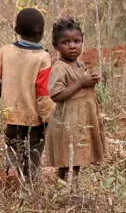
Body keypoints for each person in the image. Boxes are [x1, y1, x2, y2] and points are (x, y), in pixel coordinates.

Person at [0, 8, 54, 184]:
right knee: (33, 156)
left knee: (12, 153)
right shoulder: (43, 58)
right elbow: (44, 93)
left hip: (11, 116)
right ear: (43, 31)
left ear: (16, 30)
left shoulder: (5, 51)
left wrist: (2, 91)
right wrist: (49, 121)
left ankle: (11, 181)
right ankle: (31, 187)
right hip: (34, 121)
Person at [45, 18, 105, 186]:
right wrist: (81, 83)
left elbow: (82, 85)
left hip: (80, 121)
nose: (72, 46)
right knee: (69, 160)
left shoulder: (78, 65)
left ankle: (67, 190)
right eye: (66, 42)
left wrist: (91, 80)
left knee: (74, 160)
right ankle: (68, 192)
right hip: (67, 123)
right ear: (56, 46)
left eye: (77, 41)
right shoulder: (59, 67)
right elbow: (56, 95)